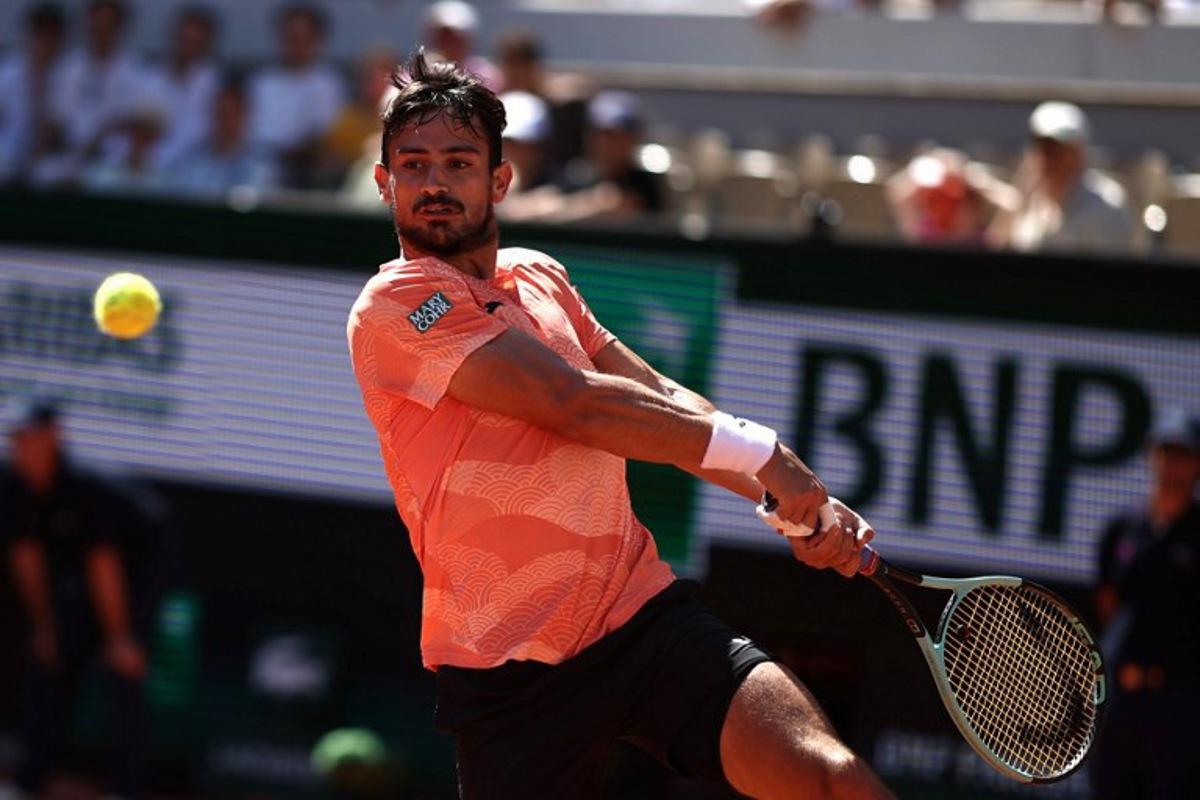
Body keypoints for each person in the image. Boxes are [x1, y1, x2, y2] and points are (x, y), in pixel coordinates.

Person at [346, 52, 893, 800]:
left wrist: (797, 503)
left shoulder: (540, 276)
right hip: (508, 670)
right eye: (413, 165)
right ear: (385, 183)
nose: (434, 183)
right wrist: (767, 457)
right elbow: (578, 404)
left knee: (830, 778)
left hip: (638, 617)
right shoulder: (395, 305)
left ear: (500, 180)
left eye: (458, 163)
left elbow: (656, 394)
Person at [0, 401, 164, 799]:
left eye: (29, 438)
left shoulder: (88, 489)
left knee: (124, 672)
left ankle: (124, 790)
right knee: (48, 664)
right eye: (17, 439)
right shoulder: (15, 488)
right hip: (79, 582)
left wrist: (121, 637)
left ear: (53, 436)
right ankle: (28, 783)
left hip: (141, 571)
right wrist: (45, 627)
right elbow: (27, 557)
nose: (20, 447)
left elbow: (104, 567)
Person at [1092, 409, 1200, 799]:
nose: (1172, 465)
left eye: (1183, 455)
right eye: (1166, 453)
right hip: (1120, 699)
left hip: (1178, 705)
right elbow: (1108, 602)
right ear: (1151, 456)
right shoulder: (1121, 529)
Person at [988, 101, 1134, 254]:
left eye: (1057, 148)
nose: (1047, 156)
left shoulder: (1106, 206)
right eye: (1042, 146)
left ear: (1078, 152)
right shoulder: (1030, 199)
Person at [39, 0, 150, 186]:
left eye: (107, 29)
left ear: (119, 29)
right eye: (96, 28)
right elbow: (56, 117)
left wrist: (101, 138)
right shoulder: (69, 66)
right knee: (44, 172)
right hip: (69, 154)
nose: (101, 35)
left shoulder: (136, 71)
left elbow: (133, 122)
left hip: (112, 159)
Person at [247, 4, 345, 188]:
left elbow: (326, 135)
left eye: (304, 39)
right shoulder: (261, 82)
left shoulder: (330, 83)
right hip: (263, 163)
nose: (297, 45)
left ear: (318, 41)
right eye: (291, 38)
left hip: (309, 168)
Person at [167, 75, 277, 200]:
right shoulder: (192, 161)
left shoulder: (262, 164)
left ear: (245, 116)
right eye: (220, 114)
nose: (225, 122)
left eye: (232, 115)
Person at [143, 5, 221, 172]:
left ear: (208, 44)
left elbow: (199, 134)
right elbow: (140, 124)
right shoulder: (151, 76)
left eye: (196, 42)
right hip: (147, 163)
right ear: (173, 37)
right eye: (185, 39)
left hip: (192, 168)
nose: (189, 47)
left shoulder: (215, 84)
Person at [0, 2, 68, 186]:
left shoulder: (67, 75)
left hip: (45, 161)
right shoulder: (8, 72)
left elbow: (57, 131)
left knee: (53, 172)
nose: (44, 43)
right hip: (6, 156)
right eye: (40, 35)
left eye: (51, 37)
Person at [422, 1, 501, 91]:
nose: (449, 43)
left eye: (456, 38)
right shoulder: (417, 73)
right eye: (443, 36)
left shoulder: (487, 74)